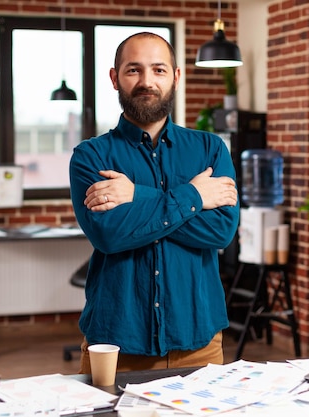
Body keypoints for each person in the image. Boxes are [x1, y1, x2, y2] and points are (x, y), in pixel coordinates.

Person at [69, 32, 239, 373]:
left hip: (199, 344)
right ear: (114, 78)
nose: (147, 82)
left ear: (176, 77)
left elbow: (220, 231)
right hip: (115, 345)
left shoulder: (210, 150)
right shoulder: (91, 156)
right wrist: (194, 196)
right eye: (134, 70)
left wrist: (136, 196)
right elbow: (110, 235)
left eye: (159, 70)